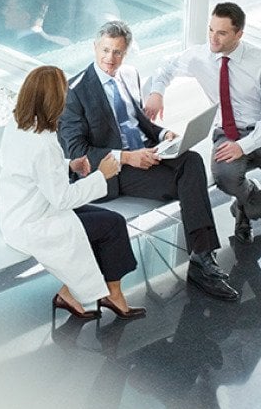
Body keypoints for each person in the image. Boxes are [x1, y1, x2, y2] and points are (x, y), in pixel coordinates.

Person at [58, 20, 239, 301]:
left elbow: (137, 122)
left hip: (147, 153)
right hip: (112, 171)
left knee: (190, 160)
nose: (110, 58)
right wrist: (129, 157)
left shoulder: (129, 75)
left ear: (126, 53)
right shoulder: (74, 92)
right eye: (105, 50)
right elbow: (76, 151)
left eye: (117, 52)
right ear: (94, 48)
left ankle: (202, 256)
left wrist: (163, 133)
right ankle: (202, 261)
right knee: (188, 178)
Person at [145, 2, 261, 243]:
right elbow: (166, 67)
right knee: (225, 177)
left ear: (239, 34)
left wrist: (243, 146)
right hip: (227, 133)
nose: (213, 38)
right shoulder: (201, 56)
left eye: (221, 33)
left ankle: (244, 208)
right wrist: (157, 92)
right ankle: (252, 198)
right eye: (211, 30)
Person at [0, 65, 146, 321]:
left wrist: (69, 165)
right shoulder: (43, 144)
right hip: (34, 223)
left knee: (101, 222)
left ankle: (70, 293)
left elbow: (33, 171)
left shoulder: (20, 124)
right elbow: (63, 198)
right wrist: (103, 175)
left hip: (22, 212)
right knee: (113, 224)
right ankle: (112, 294)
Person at [1, 0, 70, 55]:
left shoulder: (20, 50)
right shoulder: (63, 42)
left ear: (25, 17)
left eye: (9, 9)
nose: (4, 13)